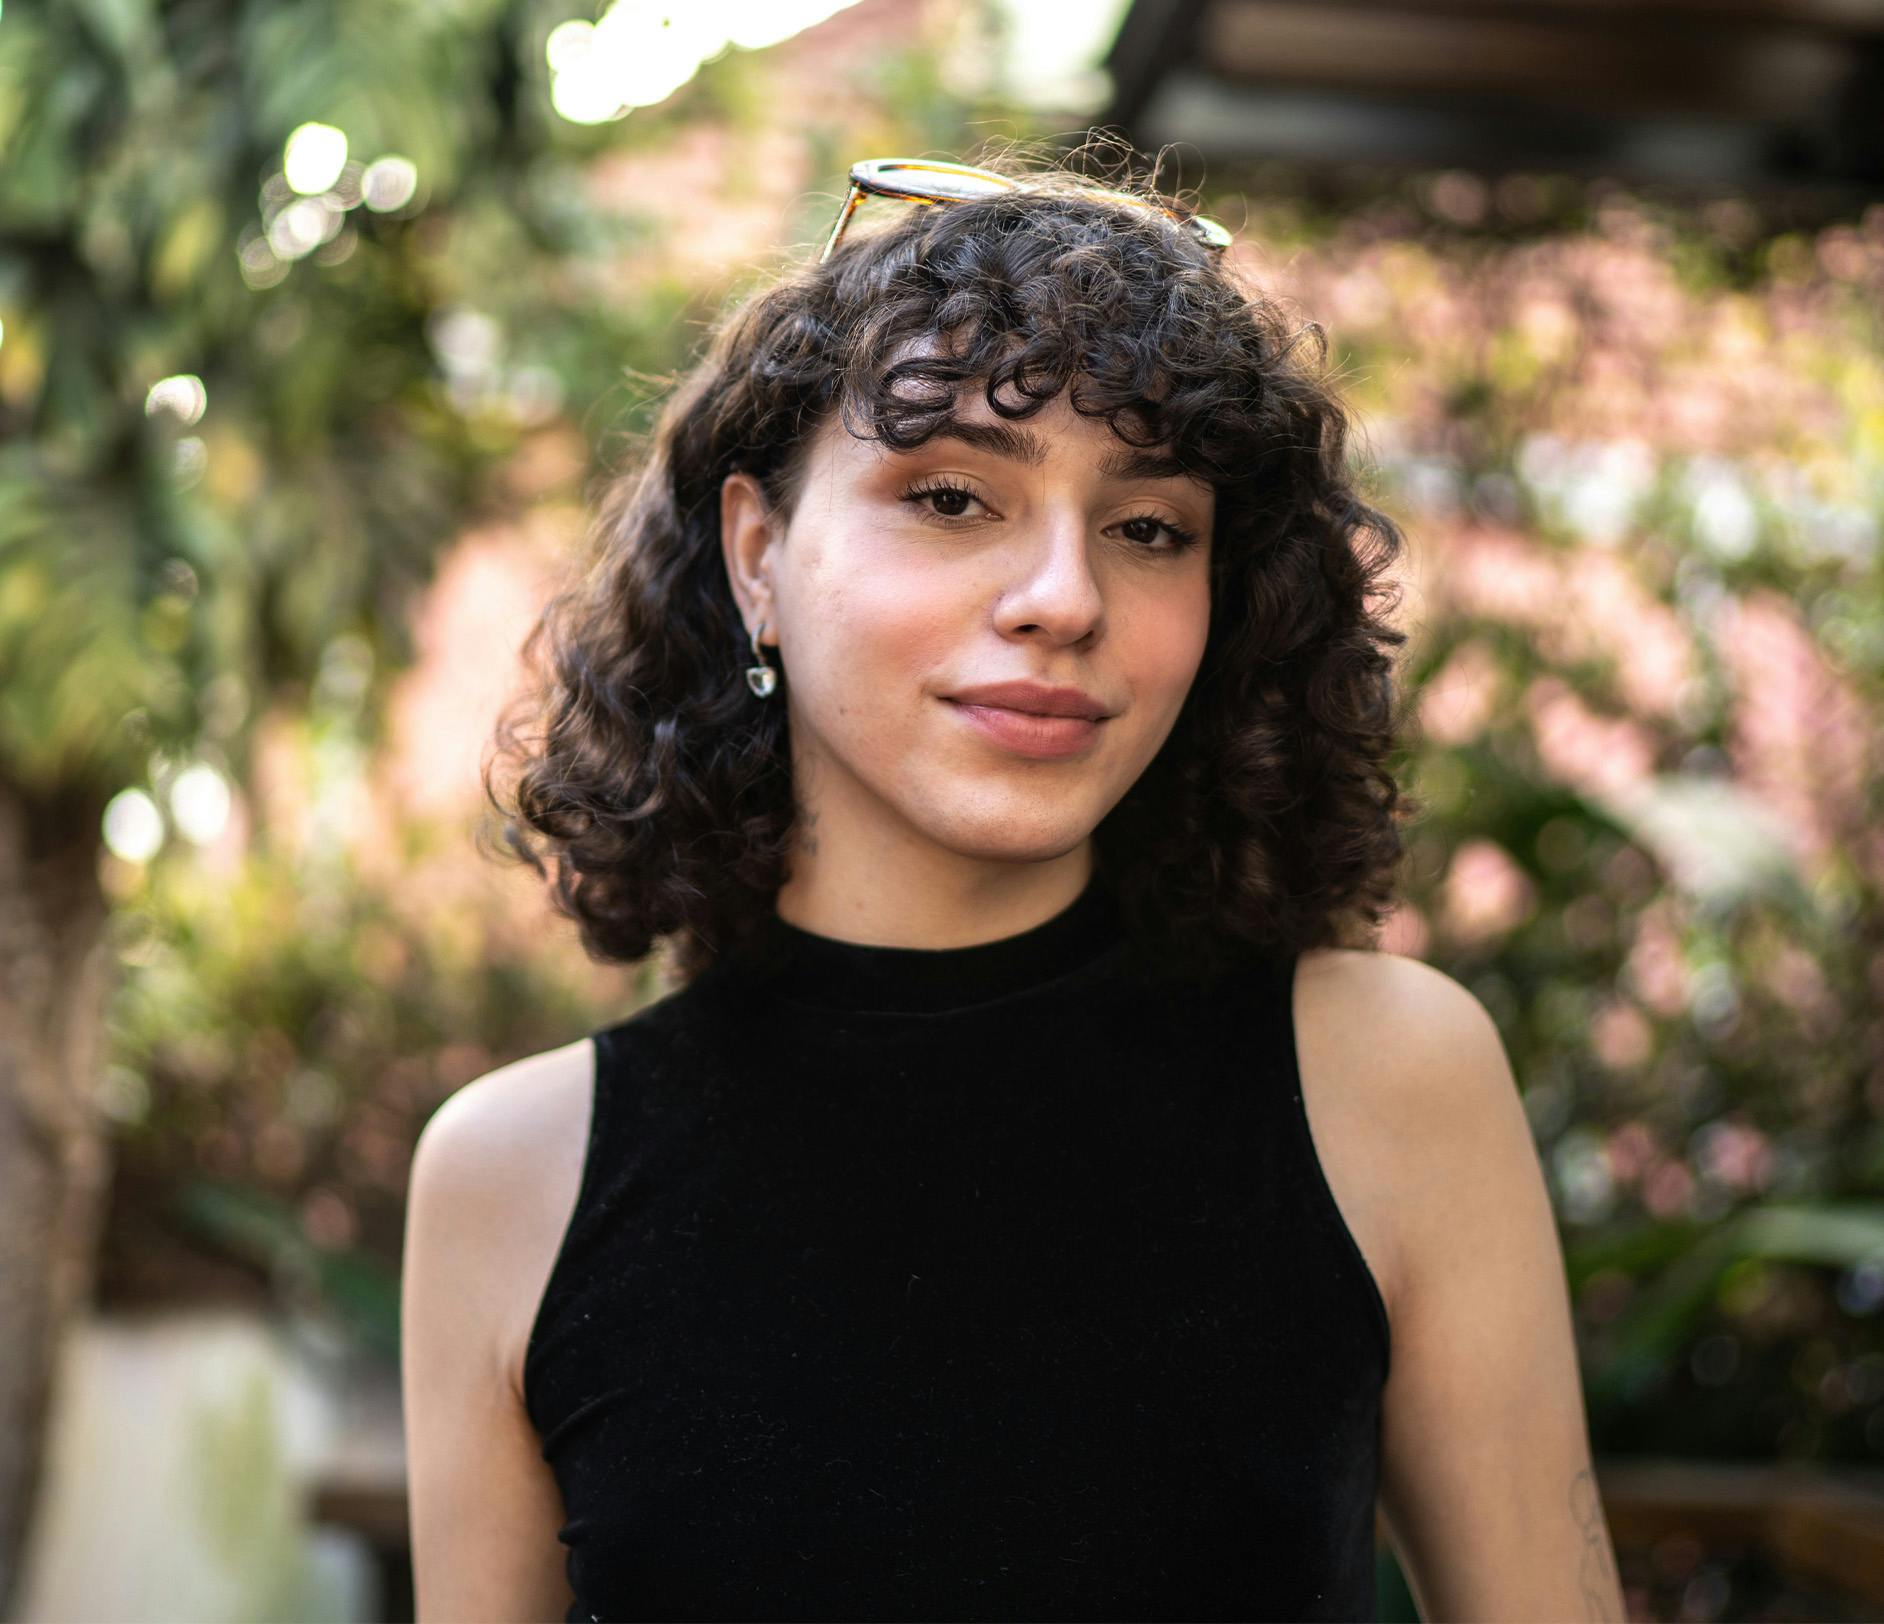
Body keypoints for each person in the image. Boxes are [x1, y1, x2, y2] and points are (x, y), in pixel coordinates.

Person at [399, 145, 1625, 1623]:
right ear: (757, 556)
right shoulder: (514, 1179)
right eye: (952, 498)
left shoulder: (1388, 1085)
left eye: (1148, 528)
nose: (1065, 598)